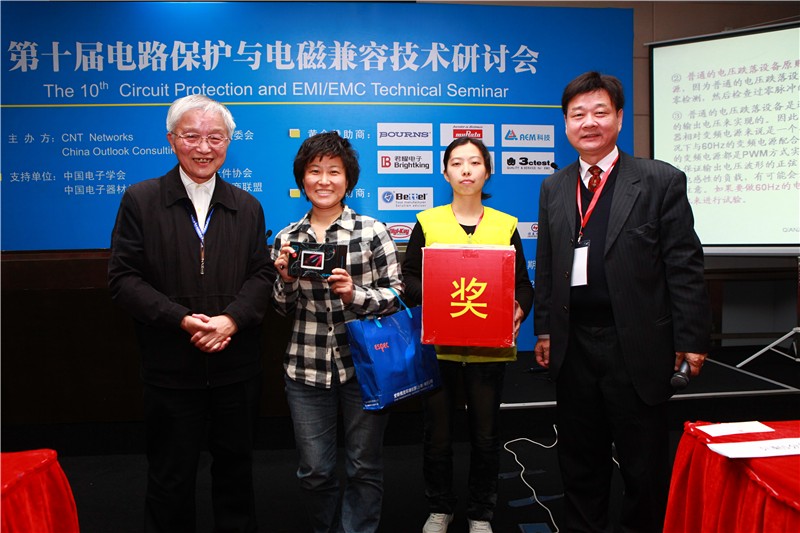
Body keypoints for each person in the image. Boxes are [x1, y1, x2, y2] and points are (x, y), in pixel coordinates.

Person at [533, 71, 711, 532]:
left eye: (599, 112)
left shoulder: (659, 180)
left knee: (642, 466)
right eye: (578, 114)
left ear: (618, 117)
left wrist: (692, 339)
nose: (588, 122)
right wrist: (545, 330)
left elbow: (684, 265)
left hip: (637, 344)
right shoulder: (554, 187)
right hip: (574, 346)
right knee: (579, 462)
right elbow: (548, 265)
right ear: (565, 123)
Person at [108, 94, 275, 532]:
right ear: (171, 140)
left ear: (228, 143)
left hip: (236, 369)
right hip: (170, 369)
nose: (204, 147)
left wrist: (231, 320)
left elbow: (261, 275)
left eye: (215, 137)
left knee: (236, 476)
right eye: (192, 136)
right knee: (170, 478)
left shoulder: (247, 206)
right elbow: (123, 279)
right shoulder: (141, 200)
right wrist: (180, 319)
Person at [271, 131, 403, 533]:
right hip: (306, 367)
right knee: (315, 470)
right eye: (315, 171)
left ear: (348, 180)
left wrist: (353, 294)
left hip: (366, 367)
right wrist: (285, 280)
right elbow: (280, 308)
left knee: (364, 466)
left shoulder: (372, 231)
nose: (324, 180)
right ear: (302, 179)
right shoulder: (287, 238)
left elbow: (396, 296)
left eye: (334, 171)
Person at [402, 137, 534, 533]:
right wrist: (437, 292)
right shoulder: (428, 222)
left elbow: (523, 285)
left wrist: (519, 307)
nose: (465, 170)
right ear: (444, 173)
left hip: (487, 352)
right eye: (457, 162)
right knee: (437, 437)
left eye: (474, 162)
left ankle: (480, 513)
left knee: (486, 437)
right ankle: (440, 507)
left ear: (487, 171)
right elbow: (408, 278)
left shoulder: (505, 224)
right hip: (439, 350)